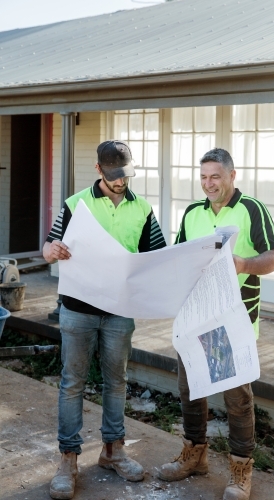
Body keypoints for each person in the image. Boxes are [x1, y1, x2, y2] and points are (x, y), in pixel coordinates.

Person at [158, 148, 274, 500]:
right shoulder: (193, 212)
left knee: (237, 398)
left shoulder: (251, 209)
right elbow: (181, 257)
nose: (208, 183)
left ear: (232, 175)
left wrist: (243, 263)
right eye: (203, 177)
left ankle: (241, 470)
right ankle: (194, 457)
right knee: (190, 388)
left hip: (234, 319)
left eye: (215, 176)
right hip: (194, 315)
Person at [43, 140, 166, 500]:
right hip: (77, 310)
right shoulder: (74, 204)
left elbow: (155, 256)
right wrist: (50, 250)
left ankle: (113, 451)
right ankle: (68, 459)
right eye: (113, 176)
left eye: (126, 175)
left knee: (116, 382)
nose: (120, 182)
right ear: (99, 170)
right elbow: (50, 246)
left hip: (119, 311)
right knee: (72, 383)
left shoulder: (142, 208)